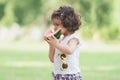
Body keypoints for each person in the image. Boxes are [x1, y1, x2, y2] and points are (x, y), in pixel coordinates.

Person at [44, 5, 82, 80]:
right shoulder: (60, 39)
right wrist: (51, 44)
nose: (54, 28)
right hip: (58, 76)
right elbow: (52, 59)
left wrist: (56, 44)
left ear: (68, 23)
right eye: (54, 24)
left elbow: (70, 50)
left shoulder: (73, 39)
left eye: (57, 25)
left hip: (70, 76)